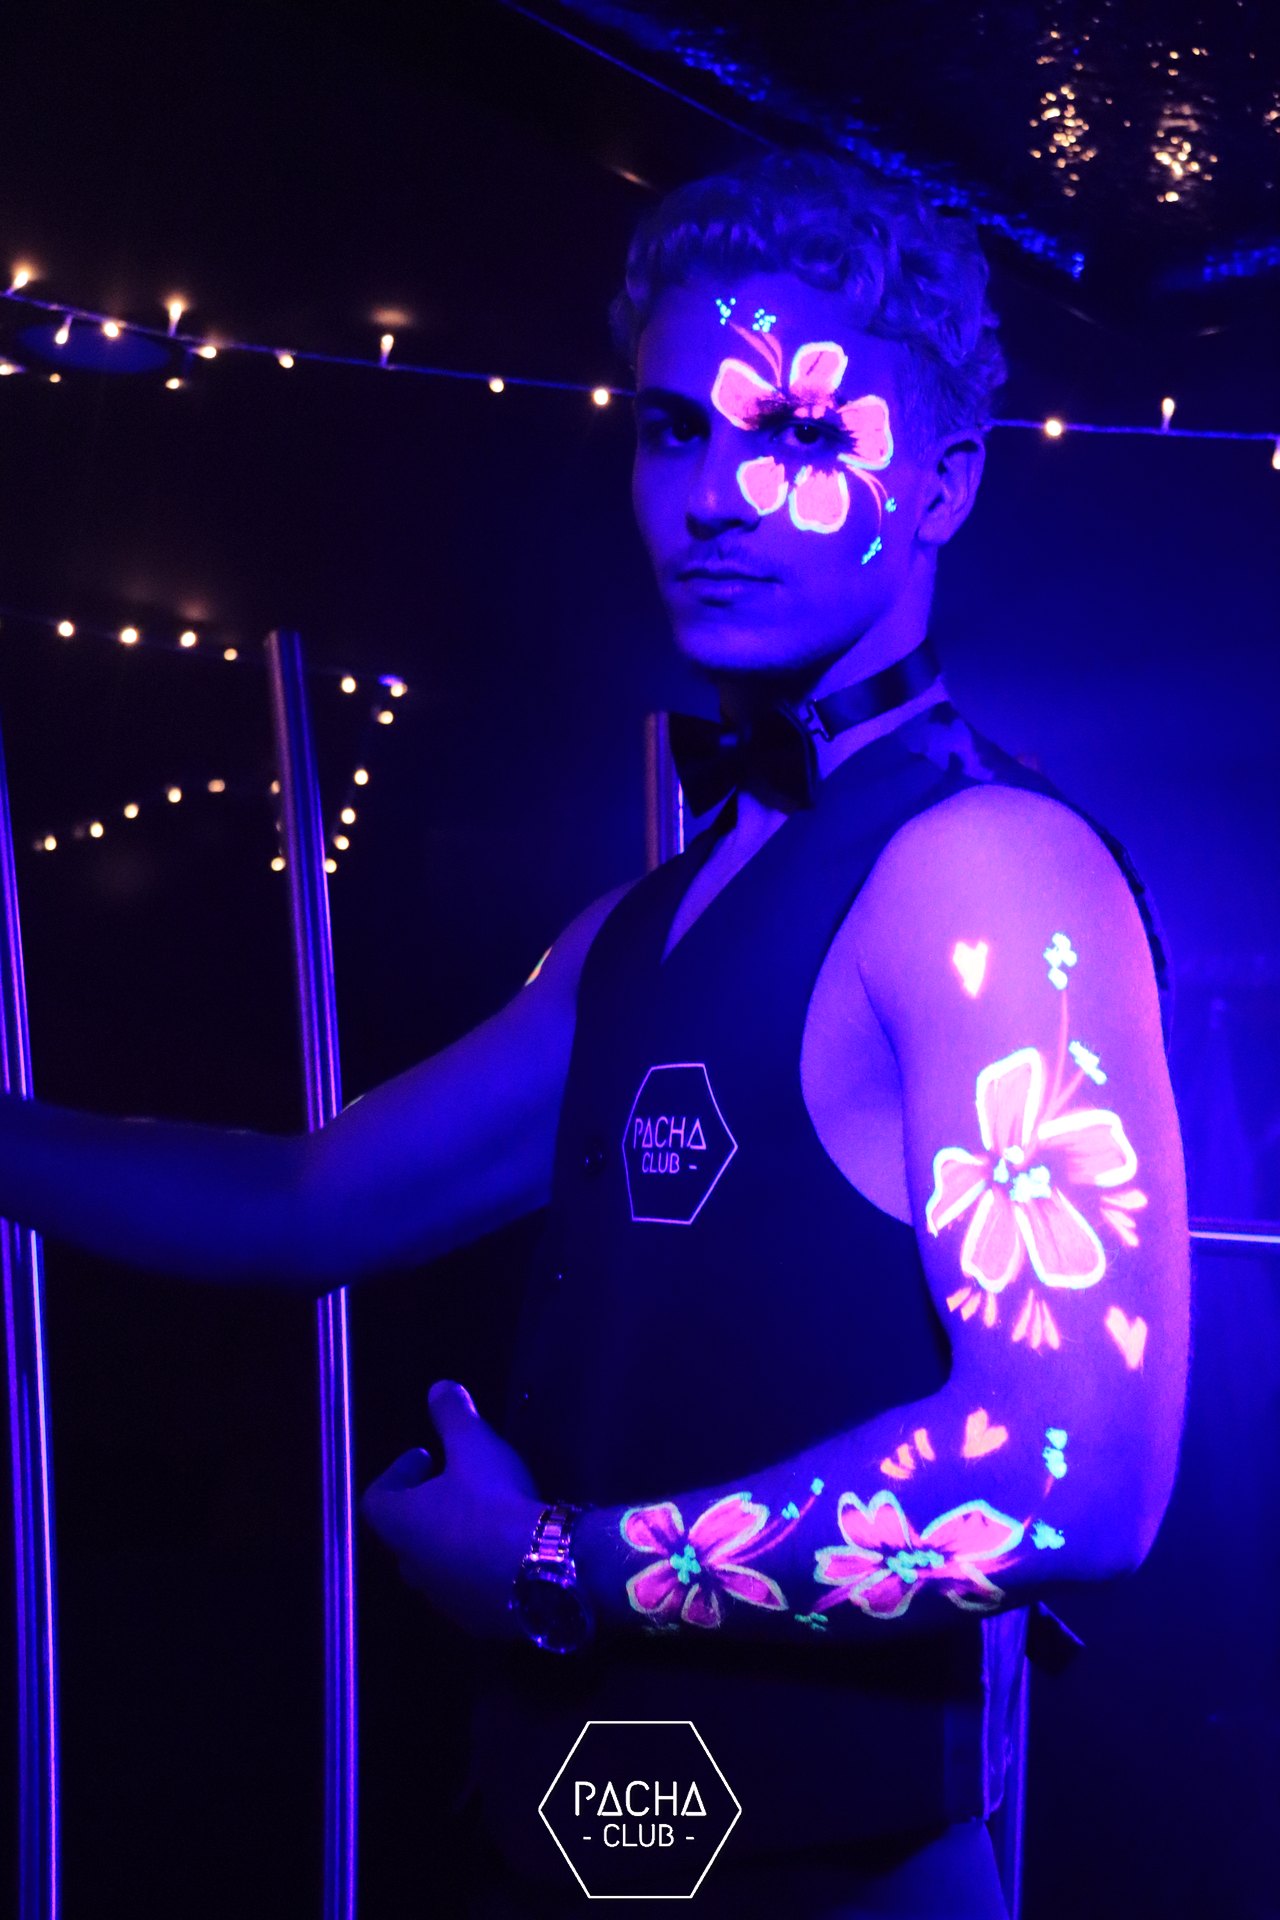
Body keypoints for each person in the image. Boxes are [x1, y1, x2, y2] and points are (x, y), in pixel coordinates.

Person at [0, 152, 1188, 1917]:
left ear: (943, 482)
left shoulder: (986, 870)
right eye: (669, 429)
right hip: (580, 1845)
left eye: (797, 430)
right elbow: (300, 1207)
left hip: (829, 1878)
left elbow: (1070, 1475)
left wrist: (549, 1567)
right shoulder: (643, 922)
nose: (712, 496)